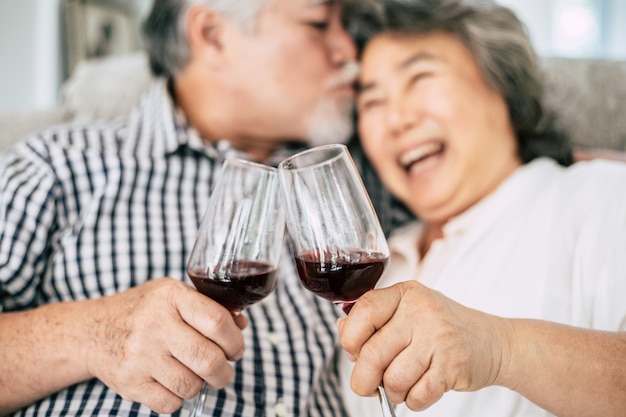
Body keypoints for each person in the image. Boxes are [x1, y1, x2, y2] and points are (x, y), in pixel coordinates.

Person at [0, 0, 410, 416]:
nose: (348, 50)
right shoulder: (54, 166)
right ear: (212, 35)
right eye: (319, 23)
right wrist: (88, 334)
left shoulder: (368, 175)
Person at [337, 1, 626, 416]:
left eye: (420, 77)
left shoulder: (601, 200)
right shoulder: (375, 264)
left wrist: (502, 350)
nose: (397, 120)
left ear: (503, 84)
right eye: (372, 102)